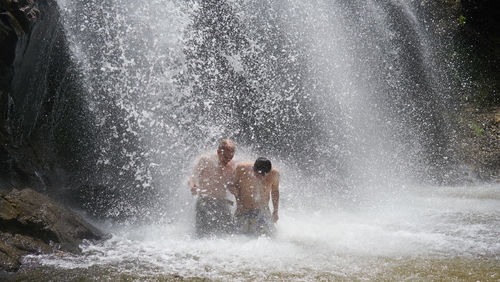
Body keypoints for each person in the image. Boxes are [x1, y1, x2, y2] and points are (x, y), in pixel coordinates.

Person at [188, 139, 236, 237]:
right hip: (205, 202)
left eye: (230, 157)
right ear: (218, 151)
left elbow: (229, 184)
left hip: (223, 203)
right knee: (202, 235)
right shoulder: (206, 160)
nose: (228, 160)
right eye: (226, 157)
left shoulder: (232, 164)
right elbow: (192, 177)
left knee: (229, 235)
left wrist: (234, 190)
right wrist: (193, 186)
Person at [234, 157, 279, 236]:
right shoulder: (241, 169)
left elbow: (275, 192)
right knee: (239, 237)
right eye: (258, 174)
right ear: (253, 169)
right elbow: (232, 186)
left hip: (262, 210)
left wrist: (275, 211)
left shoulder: (274, 174)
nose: (260, 177)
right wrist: (239, 203)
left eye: (263, 175)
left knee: (270, 236)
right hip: (243, 209)